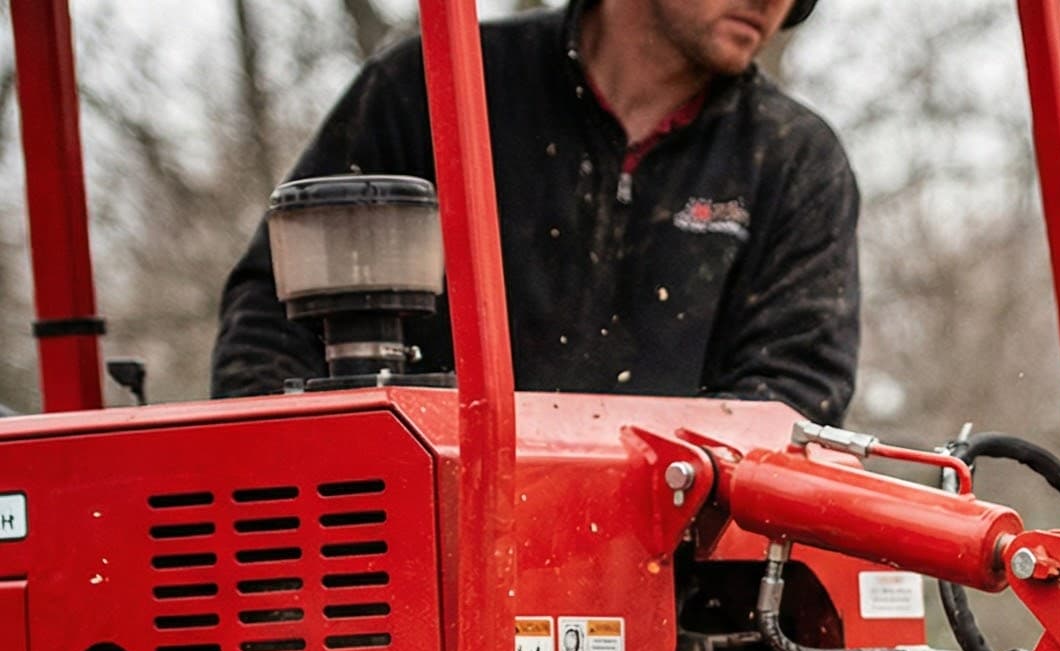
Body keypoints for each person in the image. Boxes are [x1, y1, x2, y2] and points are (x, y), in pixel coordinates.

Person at [210, 0, 859, 421]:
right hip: (415, 563)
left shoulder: (792, 159)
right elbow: (275, 323)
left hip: (678, 599)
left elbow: (795, 404)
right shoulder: (435, 89)